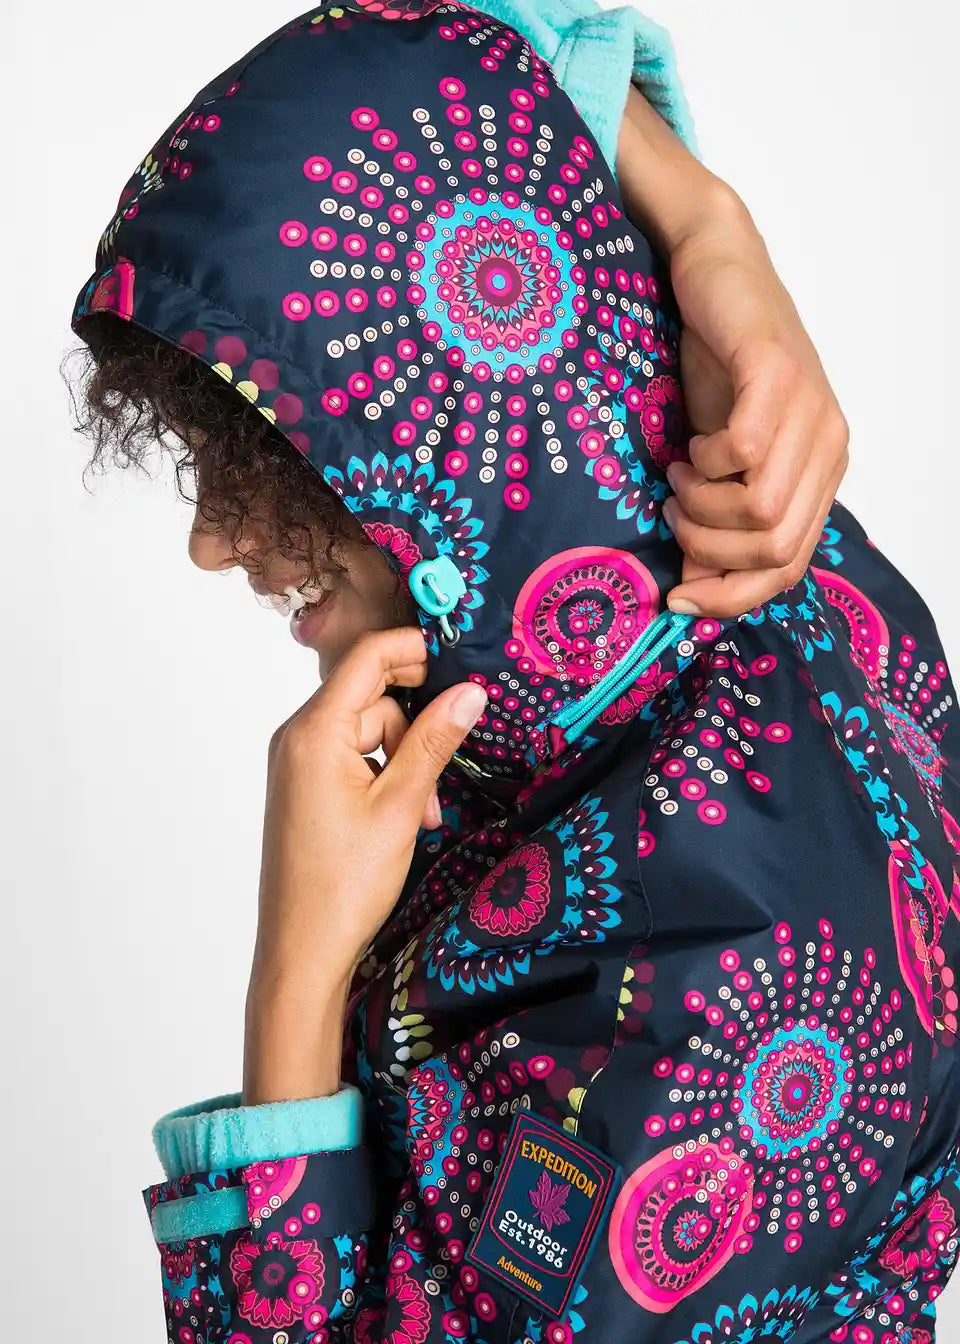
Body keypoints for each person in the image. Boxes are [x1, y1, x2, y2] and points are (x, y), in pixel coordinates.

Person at [66, 1, 960, 1341]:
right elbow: (473, 63)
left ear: (455, 446)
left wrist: (296, 987)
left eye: (273, 462)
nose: (215, 539)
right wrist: (703, 218)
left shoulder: (721, 991)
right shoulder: (763, 603)